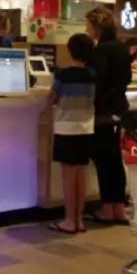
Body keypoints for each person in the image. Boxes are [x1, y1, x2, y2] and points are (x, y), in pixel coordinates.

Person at [85, 6, 132, 225]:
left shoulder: (99, 51)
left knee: (103, 162)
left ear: (96, 26)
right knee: (115, 161)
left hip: (102, 111)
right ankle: (119, 209)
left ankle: (106, 209)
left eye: (88, 24)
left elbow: (96, 81)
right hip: (118, 109)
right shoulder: (122, 48)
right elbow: (126, 78)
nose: (87, 29)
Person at [47, 33, 96, 234]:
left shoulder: (63, 75)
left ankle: (69, 220)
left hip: (66, 128)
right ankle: (79, 220)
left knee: (68, 174)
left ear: (69, 50)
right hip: (85, 128)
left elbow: (51, 99)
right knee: (80, 174)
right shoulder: (92, 75)